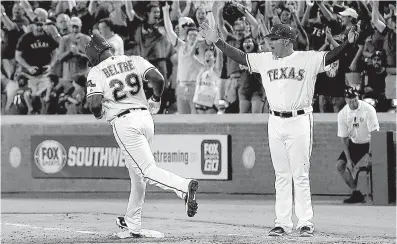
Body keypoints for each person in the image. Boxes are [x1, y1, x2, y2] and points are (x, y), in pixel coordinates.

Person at [199, 18, 359, 237]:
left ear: (286, 41)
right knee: (281, 174)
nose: (269, 43)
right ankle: (282, 222)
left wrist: (348, 44)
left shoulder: (306, 58)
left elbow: (331, 56)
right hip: (274, 121)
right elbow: (240, 56)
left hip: (300, 120)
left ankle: (305, 222)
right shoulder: (265, 60)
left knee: (300, 174)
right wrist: (217, 41)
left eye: (274, 39)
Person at [84, 31, 199, 237]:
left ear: (95, 52)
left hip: (124, 121)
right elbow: (158, 78)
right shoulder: (133, 59)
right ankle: (133, 224)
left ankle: (183, 187)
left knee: (146, 170)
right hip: (145, 118)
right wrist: (156, 98)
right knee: (137, 177)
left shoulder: (96, 71)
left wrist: (98, 112)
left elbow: (93, 104)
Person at [336, 86, 379, 204]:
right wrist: (349, 160)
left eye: (355, 99)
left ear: (358, 97)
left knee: (375, 165)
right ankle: (356, 192)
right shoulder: (342, 114)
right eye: (350, 100)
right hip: (355, 143)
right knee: (340, 165)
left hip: (370, 142)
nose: (353, 102)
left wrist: (370, 155)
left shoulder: (368, 109)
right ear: (346, 100)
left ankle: (378, 193)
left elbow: (374, 133)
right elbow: (344, 138)